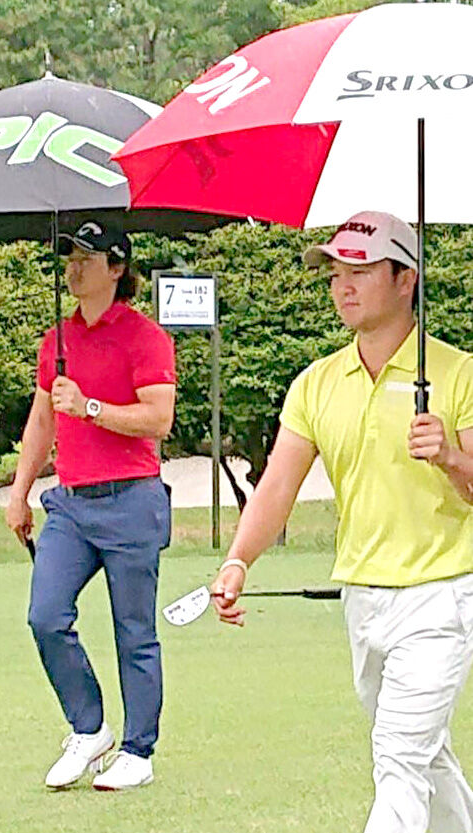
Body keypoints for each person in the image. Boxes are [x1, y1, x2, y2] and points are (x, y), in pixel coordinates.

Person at [212, 211, 473, 833]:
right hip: (362, 596)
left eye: (360, 270)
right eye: (335, 273)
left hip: (442, 594)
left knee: (398, 757)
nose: (343, 286)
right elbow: (278, 484)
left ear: (406, 278)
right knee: (419, 751)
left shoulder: (459, 372)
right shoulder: (316, 382)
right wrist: (237, 559)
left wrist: (452, 456)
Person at [5, 219, 175, 791]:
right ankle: (89, 728)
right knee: (45, 615)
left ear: (117, 268)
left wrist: (92, 407)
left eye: (86, 257)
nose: (73, 267)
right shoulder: (56, 339)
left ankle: (138, 751)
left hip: (131, 499)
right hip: (71, 506)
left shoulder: (145, 337)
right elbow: (42, 418)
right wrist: (20, 489)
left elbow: (158, 417)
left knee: (135, 631)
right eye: (70, 257)